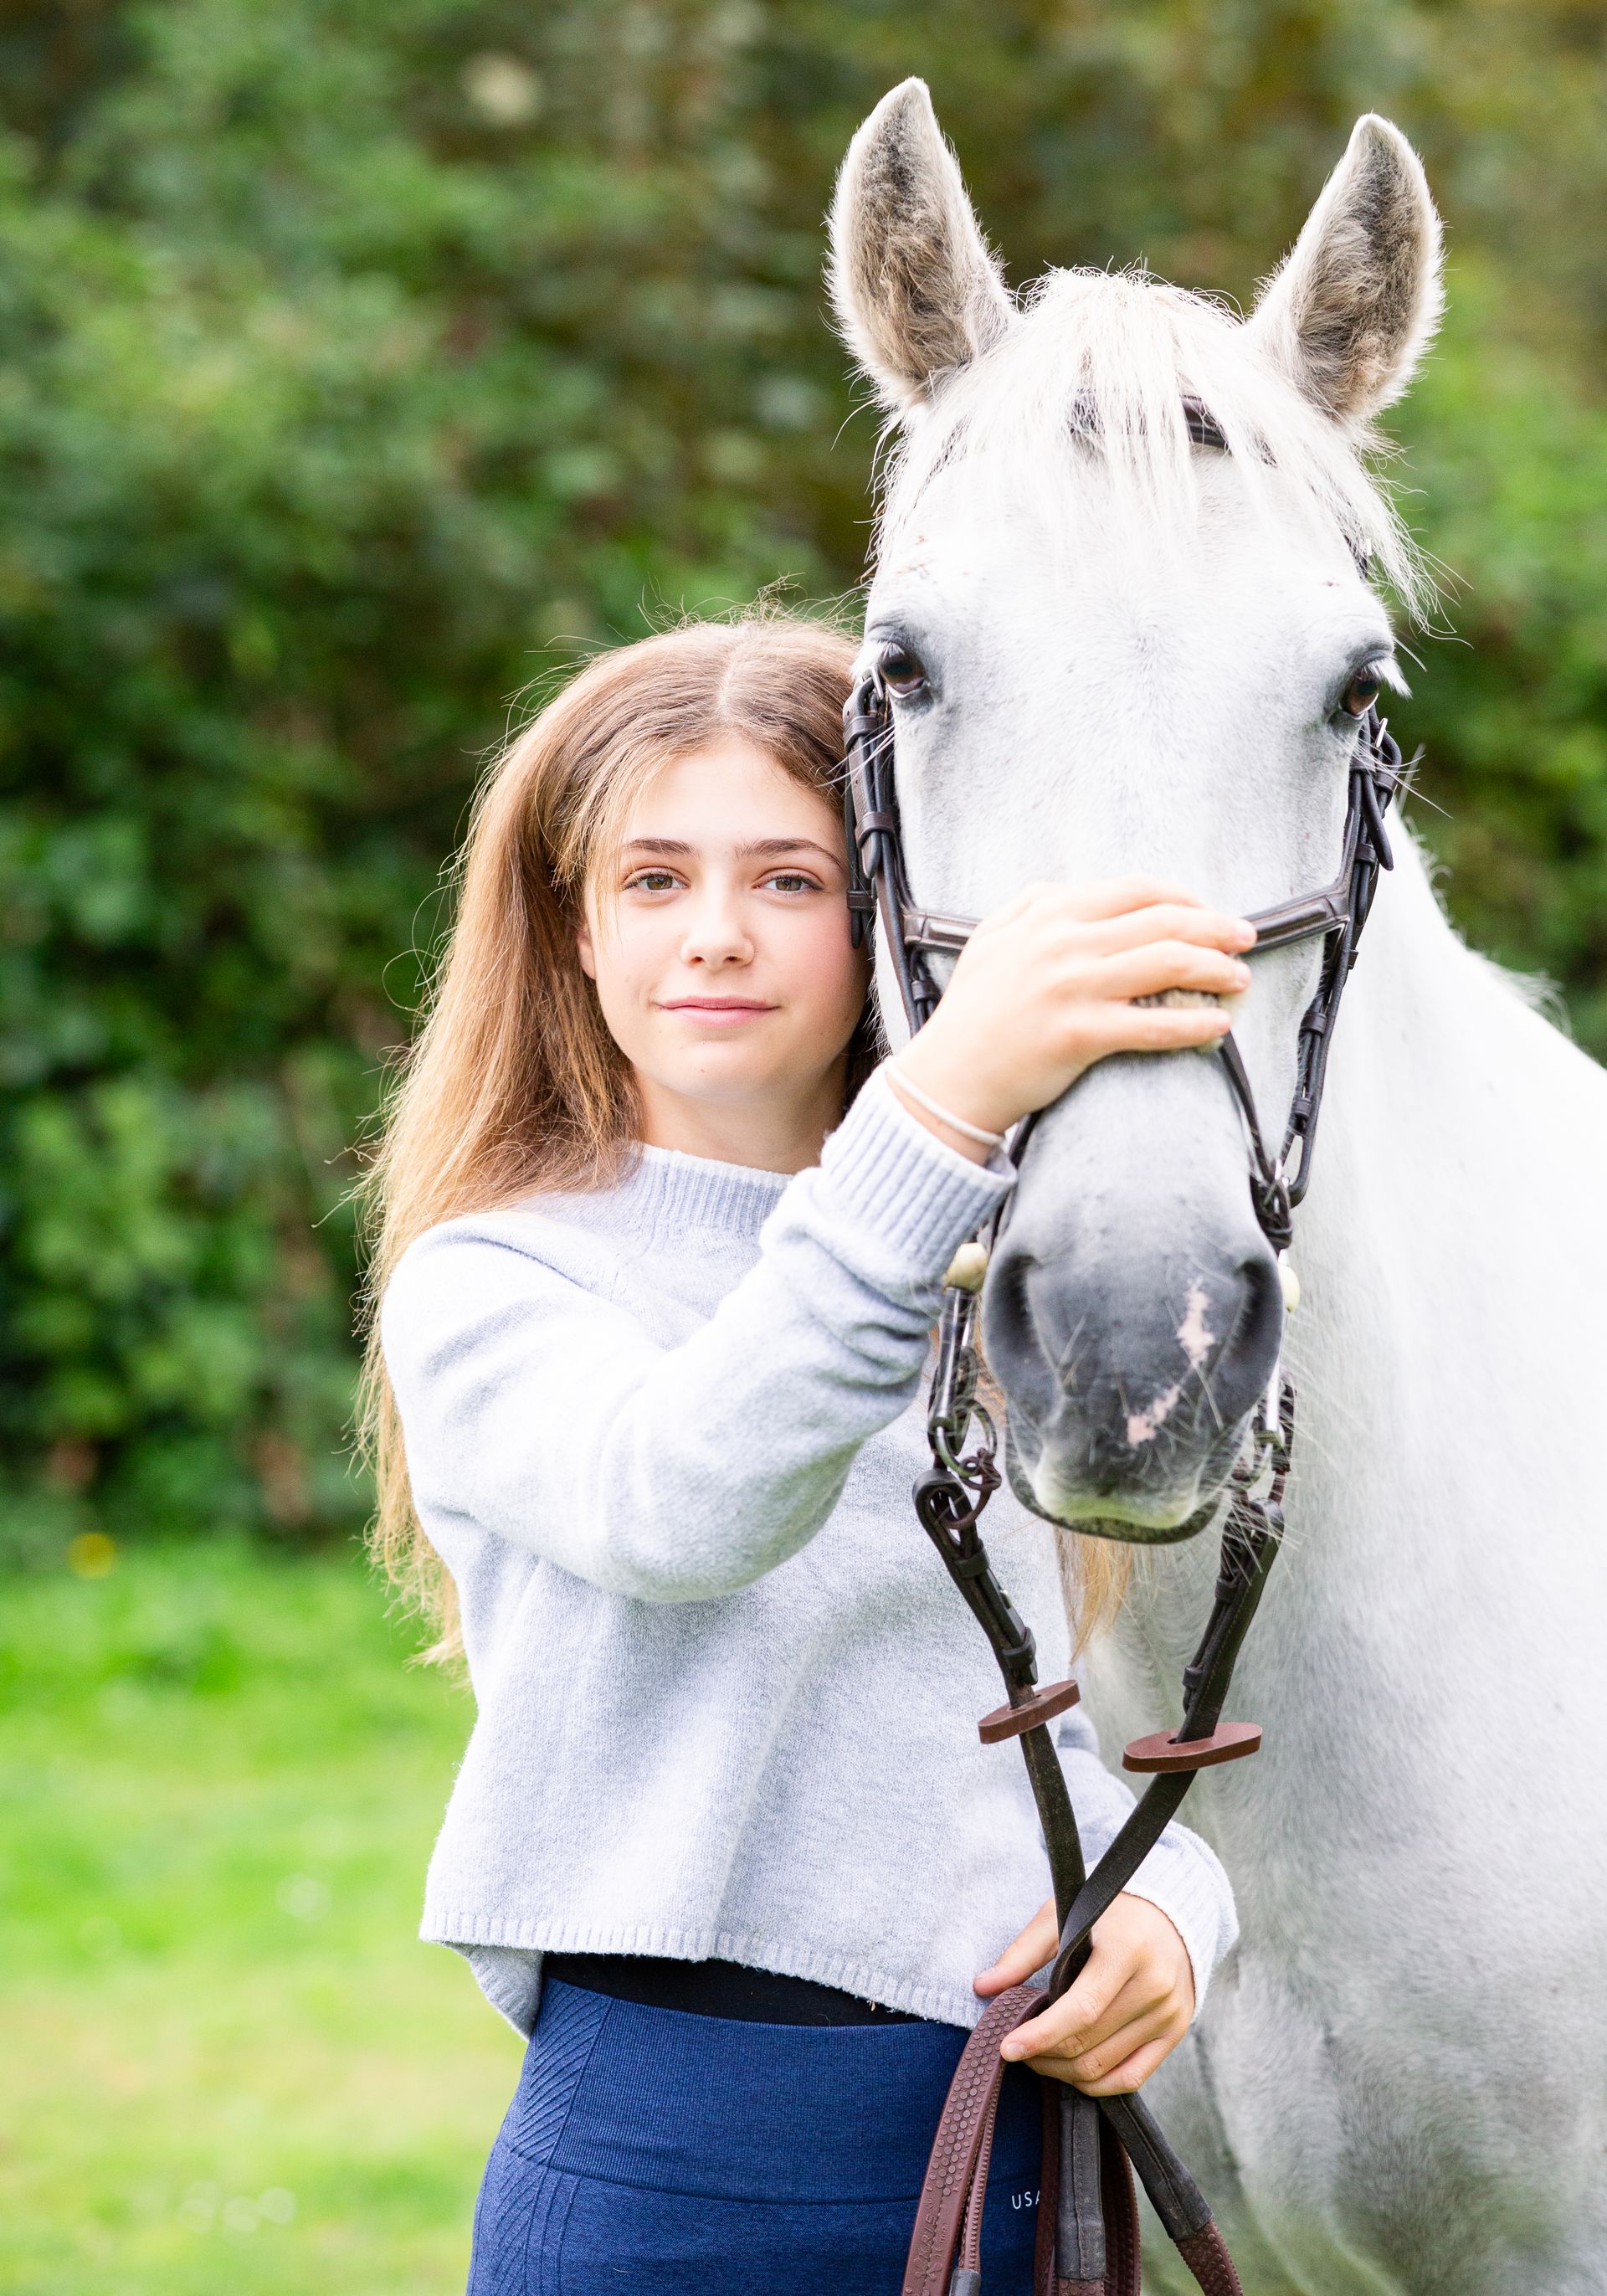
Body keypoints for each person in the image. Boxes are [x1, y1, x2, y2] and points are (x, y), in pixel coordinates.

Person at [362, 612, 1256, 2295]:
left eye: (791, 878)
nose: (717, 933)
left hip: (1013, 2166)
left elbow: (1058, 1717)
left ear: (895, 915)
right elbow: (688, 1497)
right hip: (682, 2173)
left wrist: (1172, 1904)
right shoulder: (500, 1278)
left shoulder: (1014, 1274)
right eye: (651, 879)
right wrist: (945, 1109)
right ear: (569, 929)